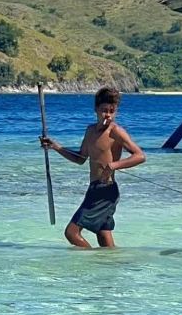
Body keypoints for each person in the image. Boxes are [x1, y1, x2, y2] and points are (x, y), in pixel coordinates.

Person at [39, 85, 146, 249]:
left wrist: (114, 165)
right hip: (94, 188)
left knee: (71, 233)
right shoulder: (90, 131)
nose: (108, 115)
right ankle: (110, 267)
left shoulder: (115, 131)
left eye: (112, 111)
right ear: (96, 109)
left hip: (106, 190)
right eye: (104, 110)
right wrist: (56, 147)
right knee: (103, 236)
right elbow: (80, 159)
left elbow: (140, 156)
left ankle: (90, 262)